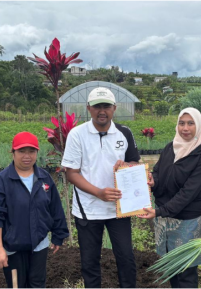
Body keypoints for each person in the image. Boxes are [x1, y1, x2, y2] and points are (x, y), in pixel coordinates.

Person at [61, 87, 144, 288]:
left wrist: (126, 166)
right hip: (87, 210)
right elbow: (71, 172)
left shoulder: (124, 132)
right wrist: (98, 192)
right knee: (89, 262)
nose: (102, 111)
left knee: (126, 257)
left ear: (114, 108)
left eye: (106, 106)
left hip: (119, 209)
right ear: (88, 108)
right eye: (97, 106)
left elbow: (134, 164)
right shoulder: (77, 134)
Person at [137, 108, 201, 288]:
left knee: (186, 271)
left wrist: (158, 211)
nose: (185, 128)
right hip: (165, 219)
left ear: (199, 126)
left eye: (190, 123)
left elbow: (187, 194)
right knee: (171, 267)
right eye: (181, 123)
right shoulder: (170, 148)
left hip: (187, 222)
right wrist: (153, 179)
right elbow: (158, 171)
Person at [0, 132, 68, 288]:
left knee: (37, 283)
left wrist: (59, 234)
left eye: (31, 151)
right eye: (21, 151)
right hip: (12, 246)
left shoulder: (44, 178)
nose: (27, 156)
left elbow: (54, 207)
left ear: (37, 152)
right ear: (13, 152)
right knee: (17, 285)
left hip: (39, 244)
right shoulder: (1, 181)